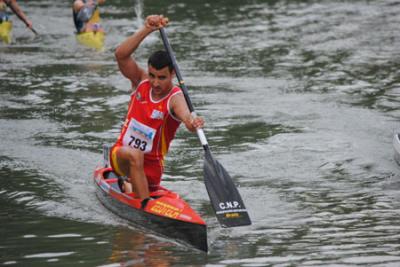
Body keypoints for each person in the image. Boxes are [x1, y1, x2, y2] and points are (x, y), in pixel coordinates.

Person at [112, 14, 204, 209]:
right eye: (152, 75)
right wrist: (147, 29)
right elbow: (121, 55)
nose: (154, 83)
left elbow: (187, 118)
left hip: (152, 170)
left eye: (161, 78)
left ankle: (130, 187)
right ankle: (146, 206)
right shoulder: (141, 81)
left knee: (139, 160)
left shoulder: (175, 98)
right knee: (135, 154)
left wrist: (192, 122)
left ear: (172, 74)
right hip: (122, 156)